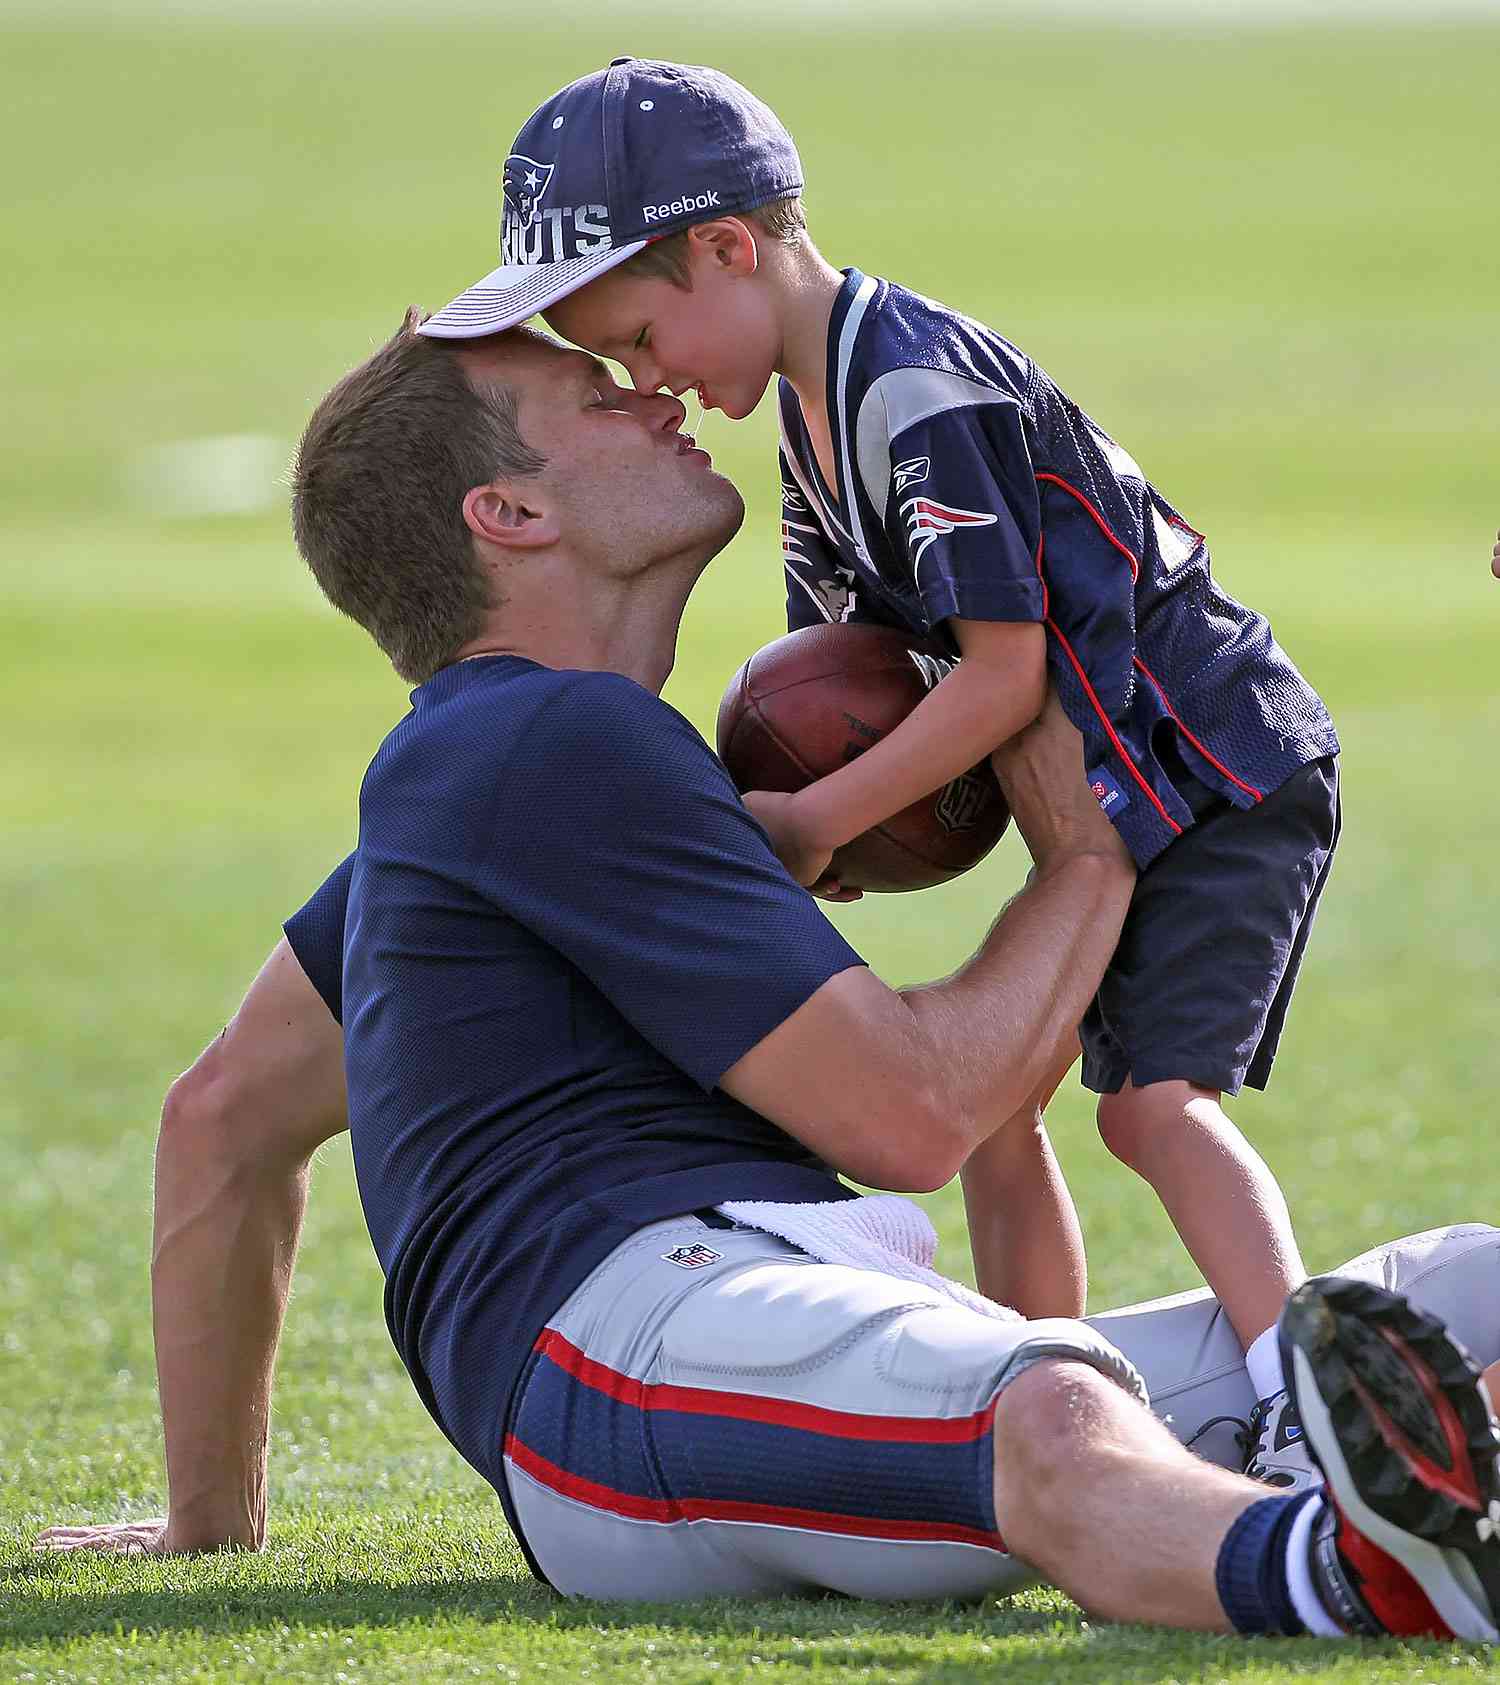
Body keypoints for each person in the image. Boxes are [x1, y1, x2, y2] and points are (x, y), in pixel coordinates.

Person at [36, 317, 1500, 1644]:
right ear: (512, 512)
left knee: (1459, 1288)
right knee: (1046, 1410)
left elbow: (223, 1118)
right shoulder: (551, 747)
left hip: (778, 1334)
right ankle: (1347, 1568)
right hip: (629, 1351)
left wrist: (205, 1527)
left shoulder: (510, 781)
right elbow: (913, 1115)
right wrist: (1086, 843)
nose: (657, 394)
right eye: (594, 397)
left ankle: (1391, 1513)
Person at [415, 60, 1341, 1489]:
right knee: (999, 1100)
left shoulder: (907, 388)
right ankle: (1067, 1399)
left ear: (728, 246)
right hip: (1110, 785)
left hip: (1213, 766)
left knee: (1151, 1106)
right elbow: (840, 662)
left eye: (644, 334)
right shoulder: (811, 416)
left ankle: (1306, 1397)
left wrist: (817, 819)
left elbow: (1002, 672)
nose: (648, 377)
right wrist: (823, 819)